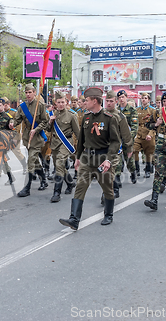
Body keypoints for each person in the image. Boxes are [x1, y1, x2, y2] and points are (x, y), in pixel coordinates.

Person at [59, 87, 132, 230]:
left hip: (103, 158)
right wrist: (78, 158)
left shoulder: (109, 118)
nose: (84, 102)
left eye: (86, 100)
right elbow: (81, 140)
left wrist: (109, 160)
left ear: (95, 101)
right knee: (80, 187)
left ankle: (108, 215)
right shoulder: (86, 117)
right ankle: (74, 219)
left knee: (107, 189)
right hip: (87, 158)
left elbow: (116, 142)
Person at [10, 83, 50, 197]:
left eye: (30, 92)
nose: (28, 94)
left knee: (31, 161)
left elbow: (45, 122)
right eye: (26, 92)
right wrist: (12, 124)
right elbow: (17, 119)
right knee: (35, 161)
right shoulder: (22, 106)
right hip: (28, 137)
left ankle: (27, 188)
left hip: (37, 137)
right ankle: (44, 180)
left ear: (34, 93)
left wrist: (36, 129)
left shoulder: (40, 105)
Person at [47, 91, 80, 203]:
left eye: (63, 102)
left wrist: (82, 146)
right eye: (59, 102)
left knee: (60, 164)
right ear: (55, 103)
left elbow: (78, 132)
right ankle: (70, 183)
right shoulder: (52, 114)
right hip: (55, 142)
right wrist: (50, 121)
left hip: (66, 142)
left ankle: (56, 192)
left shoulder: (72, 115)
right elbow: (48, 129)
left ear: (66, 102)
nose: (61, 104)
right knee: (60, 166)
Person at [103, 90, 133, 201]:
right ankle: (107, 191)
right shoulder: (102, 114)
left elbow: (126, 134)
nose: (109, 103)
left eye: (111, 101)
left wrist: (129, 148)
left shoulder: (120, 116)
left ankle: (114, 191)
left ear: (116, 101)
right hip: (103, 147)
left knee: (113, 169)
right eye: (107, 101)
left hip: (116, 147)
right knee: (104, 171)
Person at [115, 90, 138, 186]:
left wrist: (129, 138)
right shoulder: (115, 110)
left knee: (129, 160)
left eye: (123, 97)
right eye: (119, 98)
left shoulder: (132, 110)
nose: (121, 99)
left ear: (126, 97)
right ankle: (117, 178)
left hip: (127, 139)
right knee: (117, 159)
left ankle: (133, 172)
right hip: (117, 139)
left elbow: (134, 126)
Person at [134, 92, 157, 179]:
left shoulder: (152, 110)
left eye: (145, 98)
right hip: (139, 133)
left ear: (149, 100)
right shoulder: (137, 110)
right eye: (142, 98)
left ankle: (148, 169)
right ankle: (136, 169)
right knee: (134, 150)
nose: (143, 100)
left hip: (148, 133)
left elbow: (154, 124)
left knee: (149, 153)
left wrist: (150, 134)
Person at [3, 97, 27, 173]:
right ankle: (1, 172)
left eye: (5, 105)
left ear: (8, 104)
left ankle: (25, 166)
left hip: (14, 136)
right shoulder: (0, 113)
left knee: (16, 152)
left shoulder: (14, 112)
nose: (3, 106)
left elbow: (18, 125)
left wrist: (15, 137)